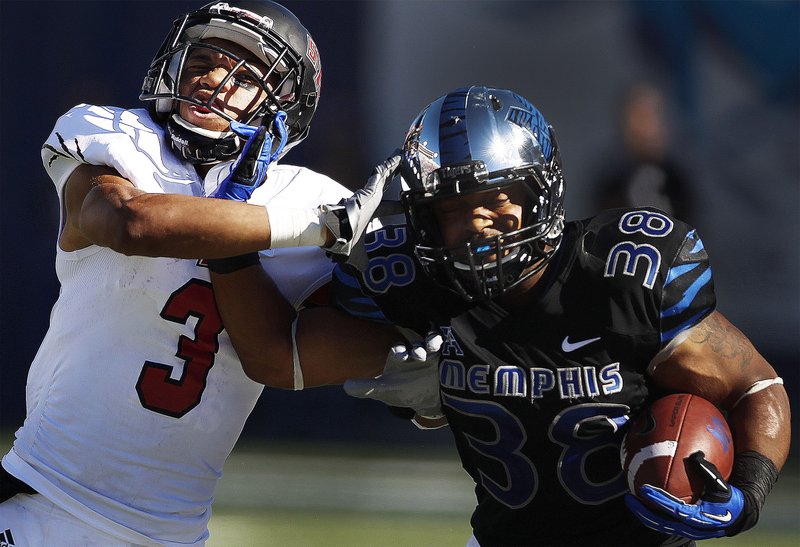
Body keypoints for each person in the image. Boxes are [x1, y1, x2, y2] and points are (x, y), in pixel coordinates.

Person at [207, 86, 791, 546]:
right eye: (452, 209)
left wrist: (747, 492)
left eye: (495, 199)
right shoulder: (417, 283)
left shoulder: (621, 274)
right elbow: (275, 356)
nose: (479, 223)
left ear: (542, 192)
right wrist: (227, 235)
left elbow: (755, 387)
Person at [0, 1, 396, 545]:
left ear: (285, 105)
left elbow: (298, 356)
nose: (214, 79)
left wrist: (421, 362)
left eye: (246, 76)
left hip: (176, 532)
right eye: (203, 59)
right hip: (45, 505)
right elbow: (128, 223)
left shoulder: (311, 196)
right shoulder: (117, 137)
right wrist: (316, 227)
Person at [591, 83, 695, 222]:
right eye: (635, 116)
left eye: (648, 115)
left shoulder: (682, 179)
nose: (641, 127)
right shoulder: (611, 181)